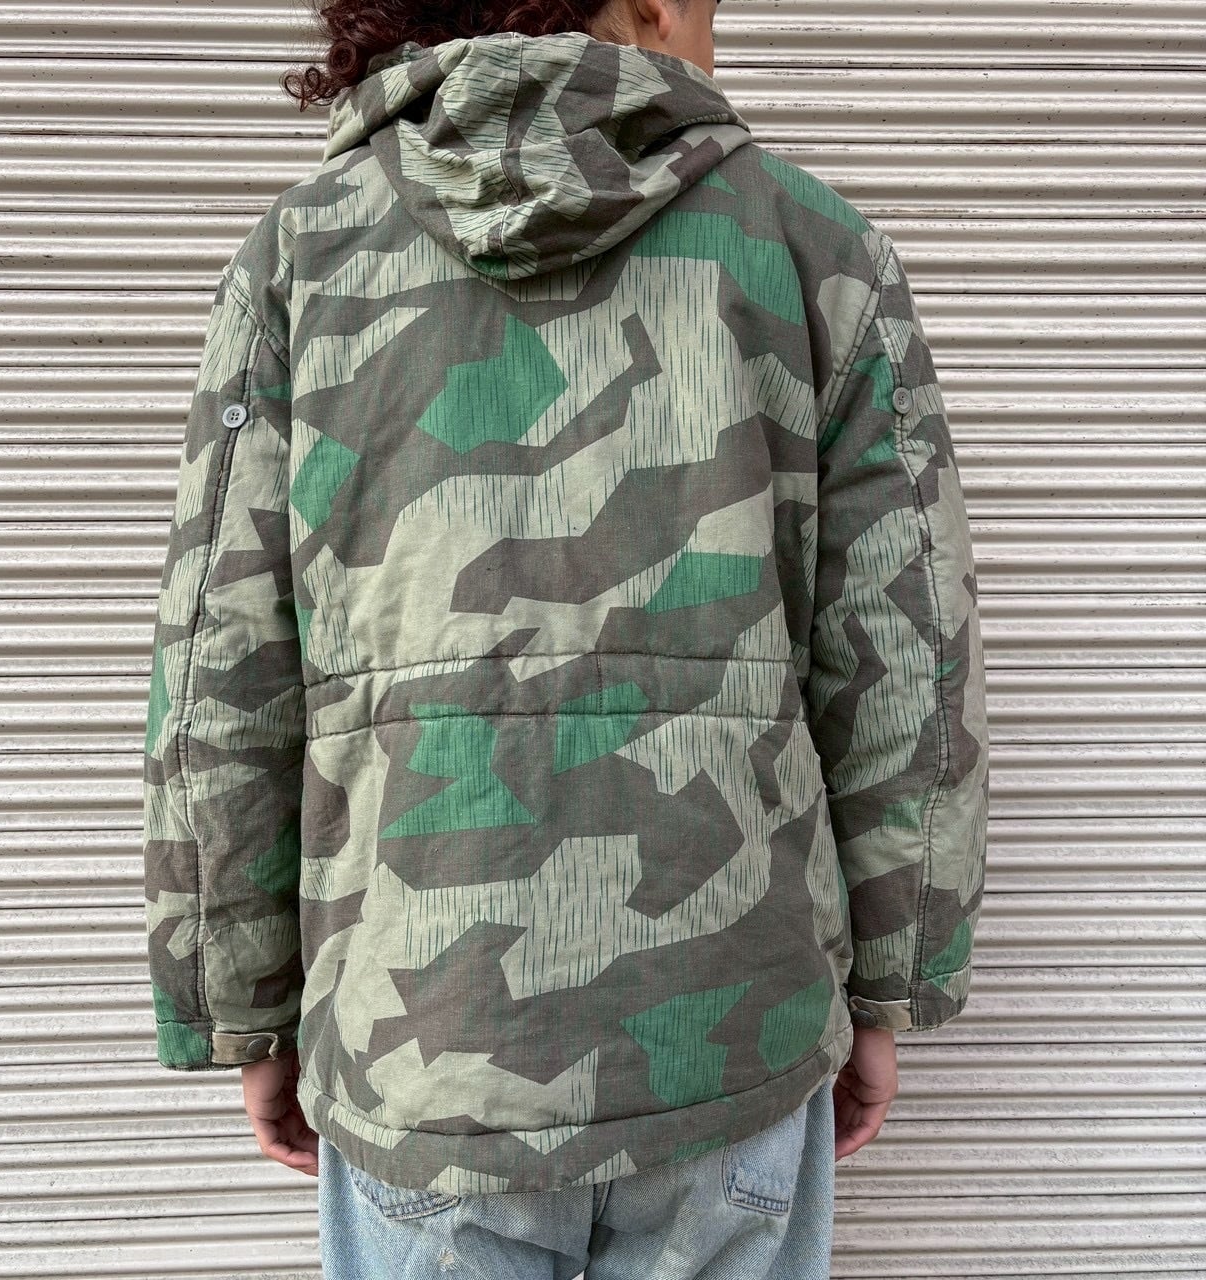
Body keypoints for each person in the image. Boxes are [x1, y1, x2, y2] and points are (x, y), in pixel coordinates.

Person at [141, 0, 990, 1274]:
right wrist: (889, 987)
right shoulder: (813, 247)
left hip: (419, 1041)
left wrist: (241, 1006)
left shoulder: (300, 256)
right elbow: (907, 657)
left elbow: (221, 664)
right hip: (734, 1038)